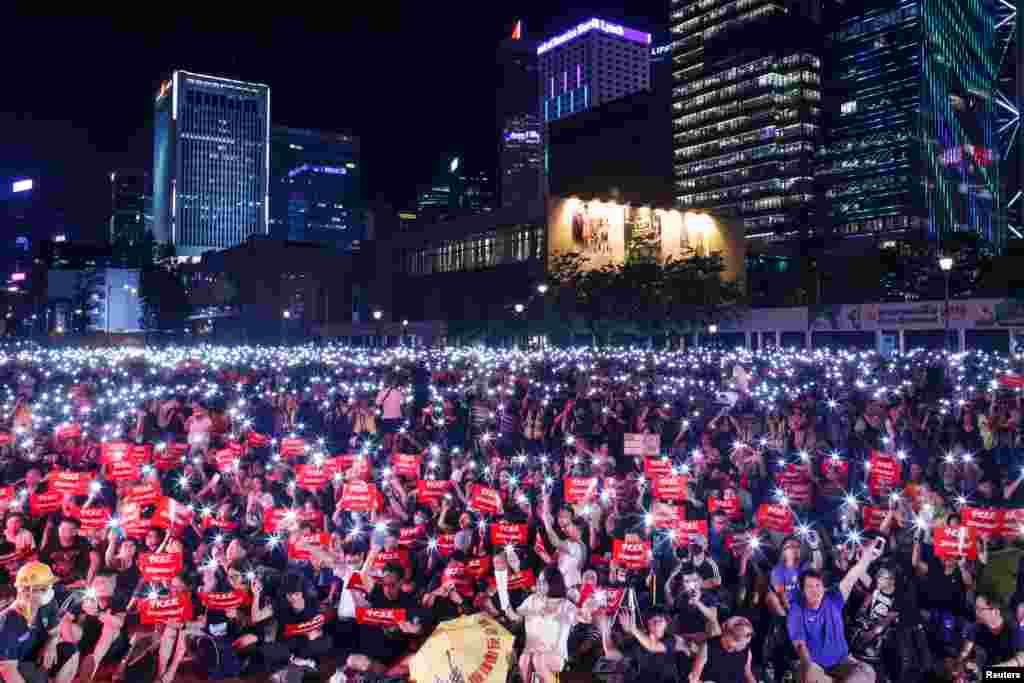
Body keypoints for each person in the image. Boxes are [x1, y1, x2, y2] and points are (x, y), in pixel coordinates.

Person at [788, 537, 884, 683]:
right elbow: (800, 646)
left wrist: (867, 558)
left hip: (842, 661)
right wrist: (809, 668)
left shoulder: (832, 597)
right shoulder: (797, 610)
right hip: (815, 665)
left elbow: (851, 577)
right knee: (810, 675)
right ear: (802, 591)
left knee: (867, 673)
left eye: (818, 586)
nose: (815, 591)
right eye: (810, 587)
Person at [504, 567, 577, 683]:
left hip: (555, 654)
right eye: (538, 581)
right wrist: (507, 608)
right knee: (524, 660)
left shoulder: (566, 605)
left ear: (553, 584)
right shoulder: (531, 600)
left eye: (543, 582)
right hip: (531, 652)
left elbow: (578, 618)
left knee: (539, 659)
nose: (538, 584)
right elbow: (516, 617)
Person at [0, 562, 63, 683]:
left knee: (68, 650)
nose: (50, 591)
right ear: (26, 591)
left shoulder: (48, 605)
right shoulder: (8, 622)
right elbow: (7, 669)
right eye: (44, 588)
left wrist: (52, 643)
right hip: (10, 668)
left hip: (29, 661)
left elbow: (55, 632)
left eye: (49, 587)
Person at [691, 615, 756, 683]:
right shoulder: (709, 647)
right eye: (742, 643)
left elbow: (748, 673)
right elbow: (694, 677)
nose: (745, 646)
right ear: (729, 637)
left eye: (747, 643)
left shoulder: (746, 650)